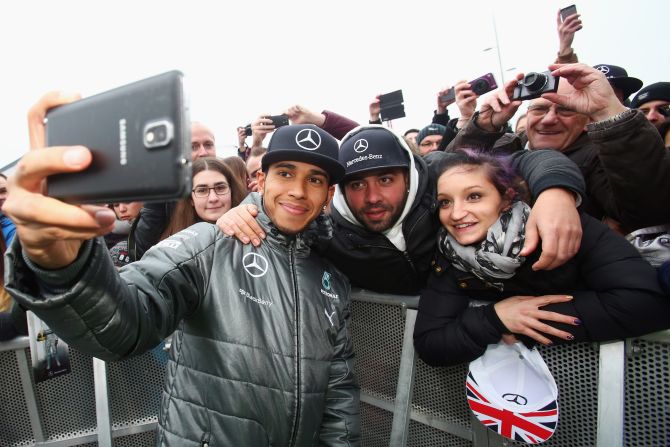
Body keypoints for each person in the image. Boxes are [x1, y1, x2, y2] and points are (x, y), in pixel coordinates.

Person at [4, 91, 360, 446]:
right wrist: (66, 265)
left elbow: (339, 396)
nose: (298, 191)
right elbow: (125, 323)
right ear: (261, 180)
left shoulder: (331, 278)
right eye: (285, 173)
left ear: (328, 195)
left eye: (314, 180)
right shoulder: (208, 244)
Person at [220, 123, 586, 295]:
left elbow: (529, 160)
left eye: (385, 179)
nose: (373, 196)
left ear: (410, 175)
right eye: (357, 184)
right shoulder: (330, 233)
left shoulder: (441, 174)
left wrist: (556, 192)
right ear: (340, 191)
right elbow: (284, 211)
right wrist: (243, 209)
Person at [413, 150, 670, 367]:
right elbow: (431, 343)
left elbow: (645, 301)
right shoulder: (449, 253)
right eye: (445, 202)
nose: (457, 213)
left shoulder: (565, 225)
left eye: (474, 196)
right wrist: (495, 318)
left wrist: (526, 319)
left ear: (505, 198)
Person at [449, 63, 670, 236]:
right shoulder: (502, 147)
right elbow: (447, 175)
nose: (549, 119)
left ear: (587, 120)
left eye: (565, 110)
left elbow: (647, 212)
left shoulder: (601, 157)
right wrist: (483, 127)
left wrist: (608, 111)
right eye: (539, 109)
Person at [133, 121, 219, 259]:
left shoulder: (234, 188)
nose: (203, 152)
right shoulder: (165, 195)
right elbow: (142, 252)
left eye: (208, 145)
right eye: (193, 147)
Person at [161, 157, 246, 239]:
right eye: (202, 190)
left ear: (232, 190)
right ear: (191, 199)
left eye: (220, 188)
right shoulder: (174, 243)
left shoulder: (254, 228)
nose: (213, 198)